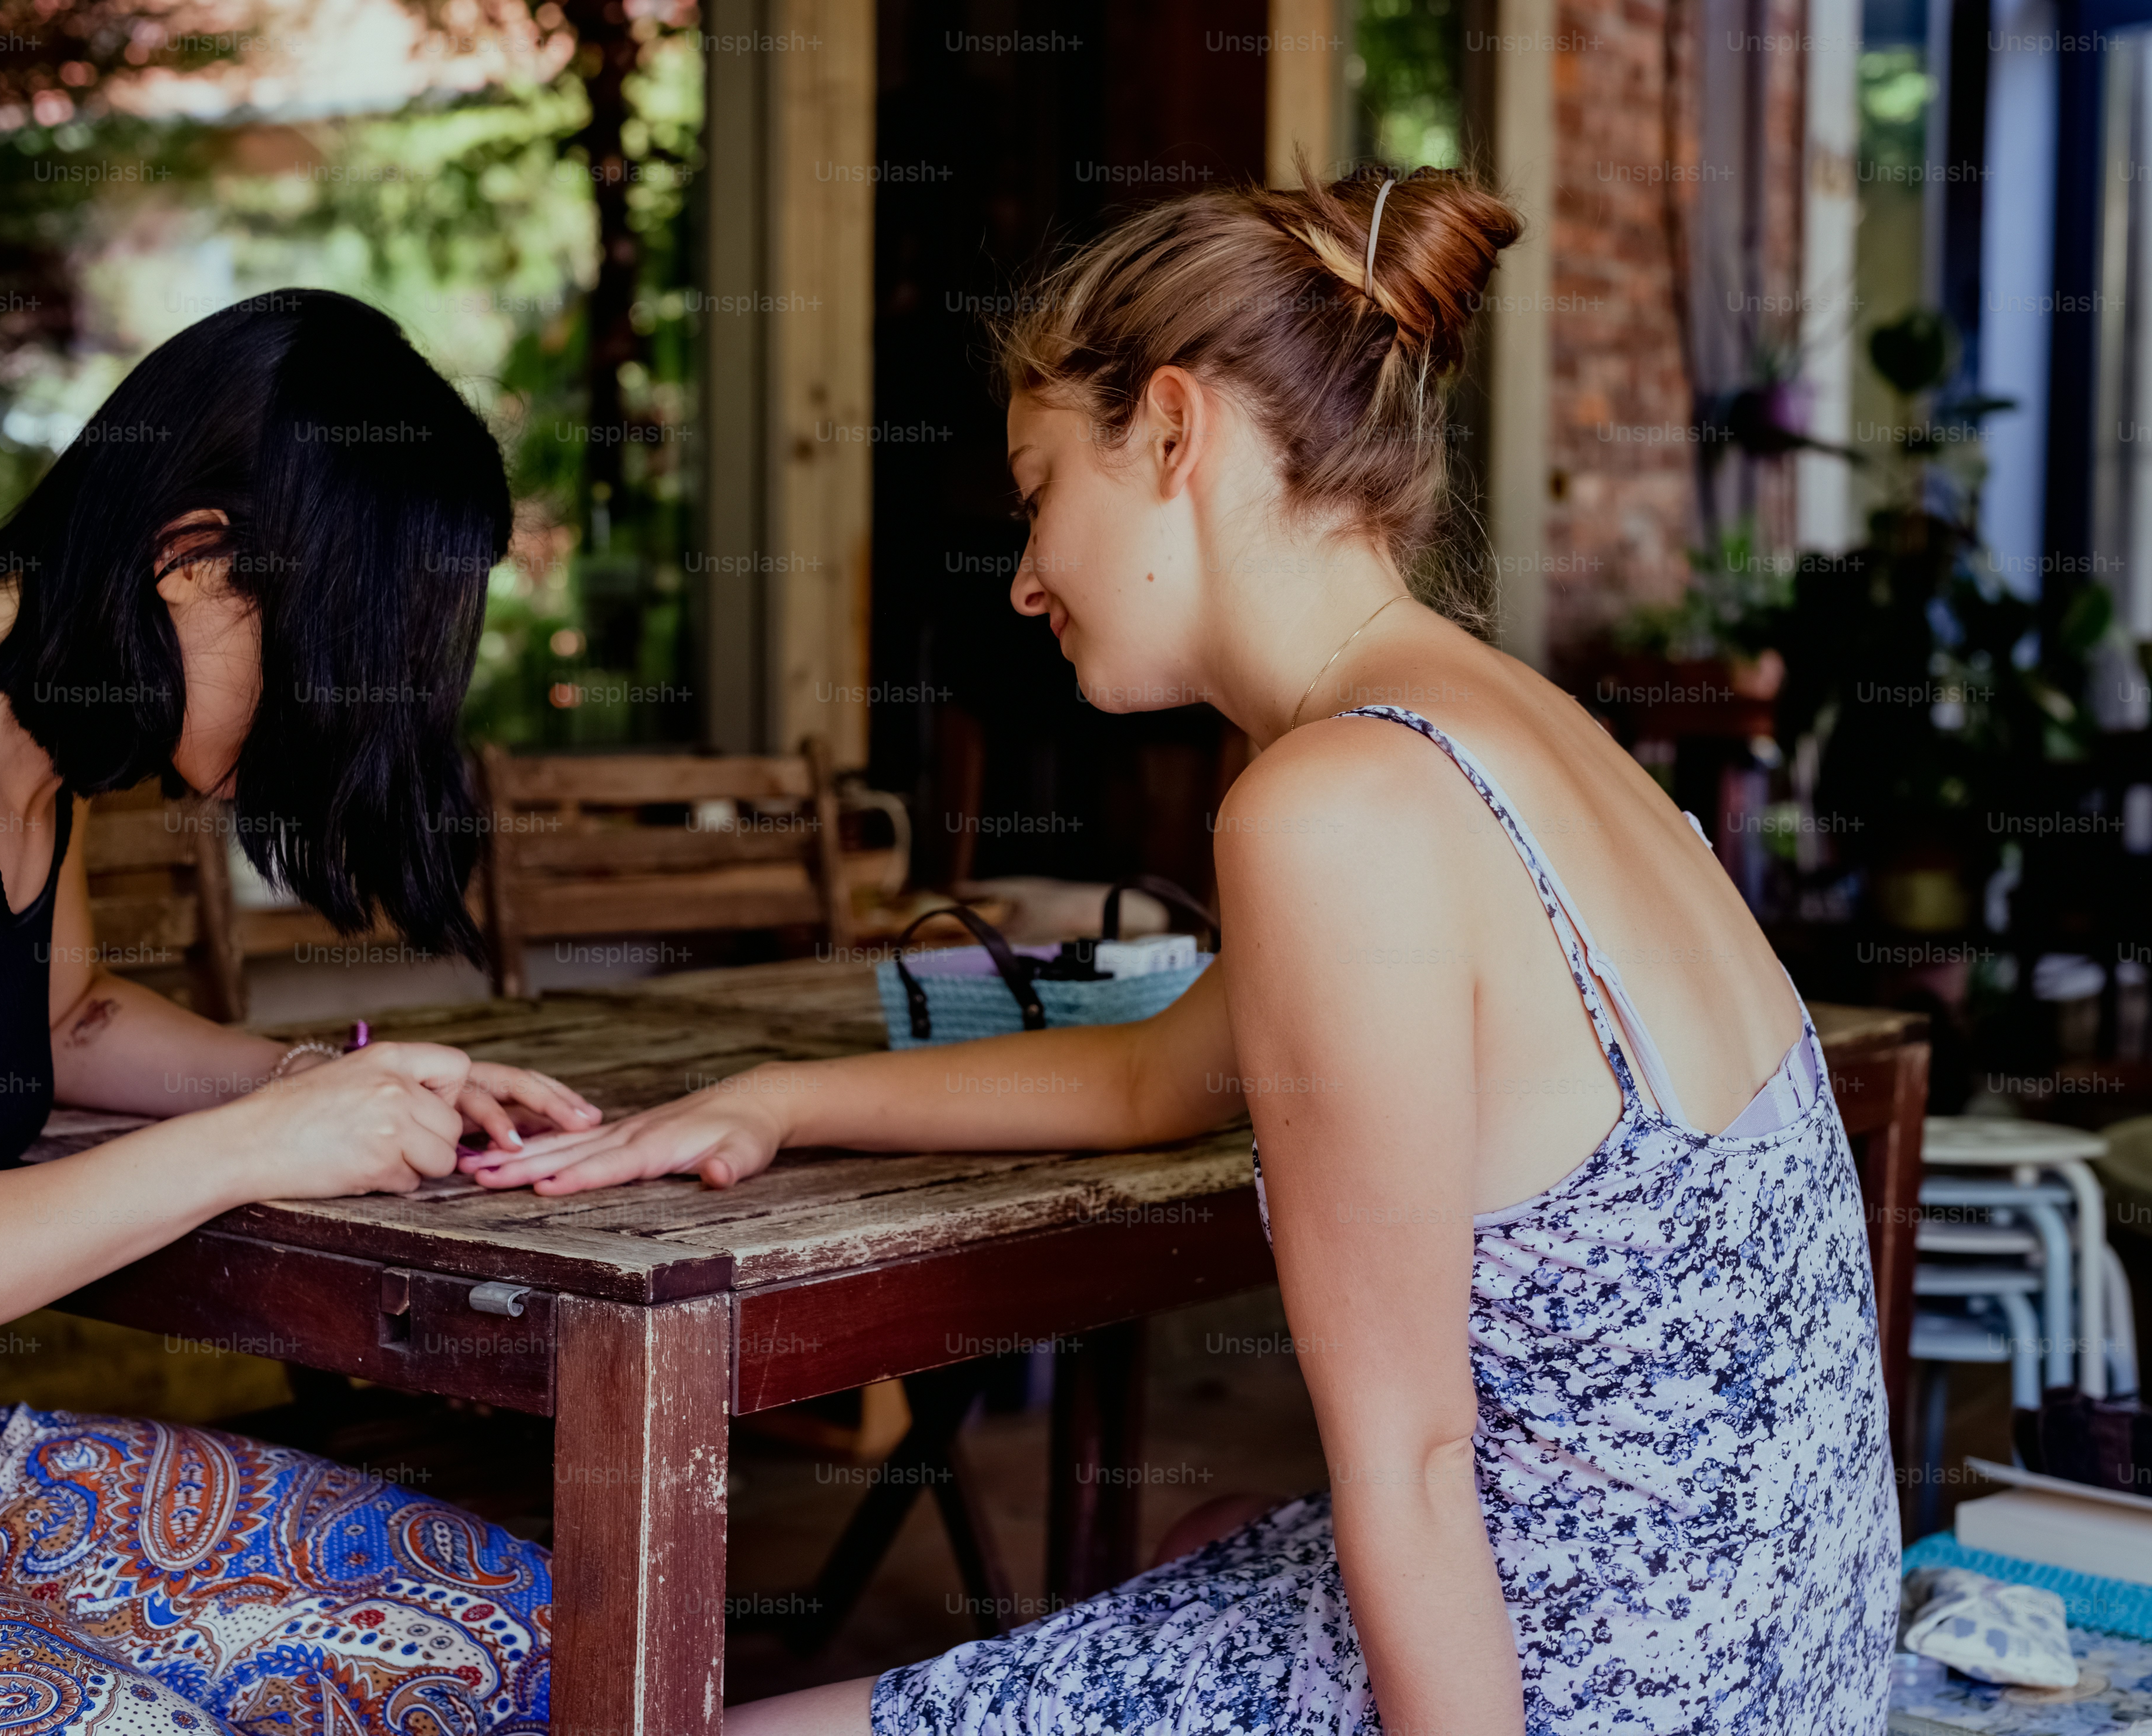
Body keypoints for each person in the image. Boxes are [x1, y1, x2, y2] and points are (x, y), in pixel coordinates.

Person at [472, 169, 1904, 1734]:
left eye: (1037, 491)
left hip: (1612, 1684)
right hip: (1792, 1662)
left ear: (1172, 433)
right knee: (1207, 1541)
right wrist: (782, 1098)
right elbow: (1164, 1072)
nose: (1027, 577)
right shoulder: (1523, 730)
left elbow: (1417, 1466)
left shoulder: (1333, 806)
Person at [0, 290, 599, 1735]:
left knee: (526, 1634)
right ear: (193, 559)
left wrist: (318, 1081)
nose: (327, 716)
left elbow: (58, 1023)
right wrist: (252, 1149)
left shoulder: (19, 739)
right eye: (325, 654)